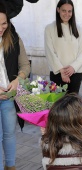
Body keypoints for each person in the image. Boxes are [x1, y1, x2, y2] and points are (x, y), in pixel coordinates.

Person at [0, 2, 30, 170]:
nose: (1, 27)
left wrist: (19, 79)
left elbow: (25, 65)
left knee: (9, 134)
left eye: (4, 23)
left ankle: (10, 166)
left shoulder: (14, 38)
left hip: (8, 97)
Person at [44, 0, 82, 94]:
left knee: (73, 104)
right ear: (58, 10)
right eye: (64, 10)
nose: (67, 14)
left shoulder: (78, 29)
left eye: (69, 11)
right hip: (57, 73)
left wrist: (73, 67)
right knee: (59, 104)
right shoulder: (49, 29)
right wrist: (62, 71)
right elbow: (50, 52)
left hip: (75, 72)